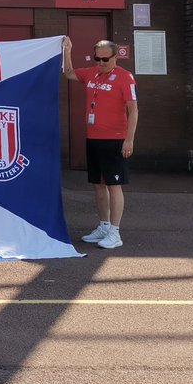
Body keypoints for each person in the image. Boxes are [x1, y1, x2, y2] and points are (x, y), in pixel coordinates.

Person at [61, 36, 138, 250]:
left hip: (114, 139)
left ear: (116, 57)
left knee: (114, 185)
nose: (101, 63)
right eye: (98, 59)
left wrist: (128, 140)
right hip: (93, 137)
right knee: (98, 185)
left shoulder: (125, 77)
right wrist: (68, 51)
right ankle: (104, 225)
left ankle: (115, 231)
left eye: (105, 59)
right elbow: (68, 73)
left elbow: (133, 110)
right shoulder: (91, 73)